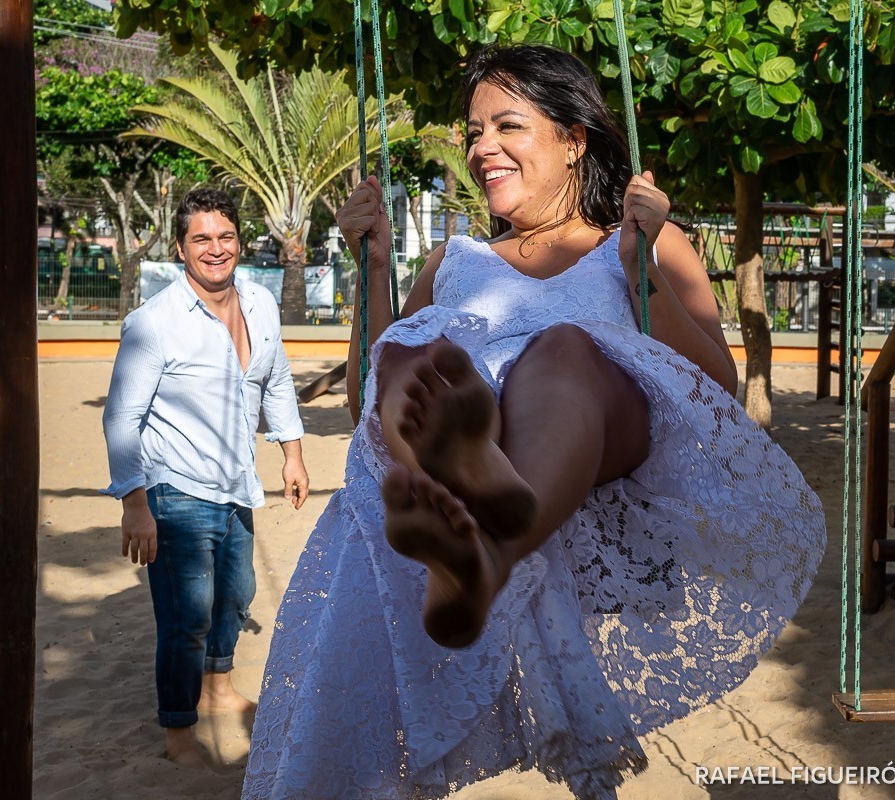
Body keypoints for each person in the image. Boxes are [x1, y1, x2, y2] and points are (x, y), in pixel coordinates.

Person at [244, 45, 824, 799]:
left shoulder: (634, 243)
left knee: (561, 350)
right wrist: (375, 270)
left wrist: (641, 266)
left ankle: (493, 524)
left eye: (506, 126)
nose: (481, 147)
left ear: (574, 138)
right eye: (473, 132)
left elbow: (714, 391)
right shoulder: (453, 261)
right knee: (413, 354)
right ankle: (477, 471)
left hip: (601, 441)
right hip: (467, 445)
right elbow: (368, 408)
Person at [102, 187, 310, 768]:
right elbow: (121, 417)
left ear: (239, 241)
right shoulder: (153, 322)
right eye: (201, 239)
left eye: (225, 236)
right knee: (186, 616)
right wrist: (134, 505)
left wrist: (291, 454)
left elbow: (276, 379)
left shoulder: (260, 303)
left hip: (237, 484)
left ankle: (217, 690)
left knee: (236, 598)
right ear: (180, 247)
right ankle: (178, 733)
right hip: (175, 489)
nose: (215, 249)